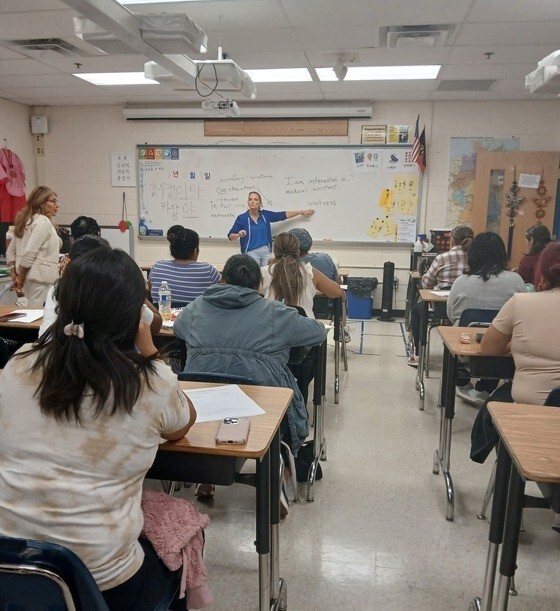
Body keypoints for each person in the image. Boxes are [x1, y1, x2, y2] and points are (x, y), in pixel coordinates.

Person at [0, 247, 197, 609]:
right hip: (104, 582)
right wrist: (150, 351)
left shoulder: (19, 364)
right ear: (135, 313)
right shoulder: (150, 382)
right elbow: (182, 425)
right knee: (181, 540)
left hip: (11, 568)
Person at [173, 254, 327, 459]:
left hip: (203, 406)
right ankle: (283, 473)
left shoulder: (195, 308)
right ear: (259, 284)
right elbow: (318, 332)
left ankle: (206, 480)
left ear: (222, 279)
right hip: (264, 406)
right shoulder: (275, 312)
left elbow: (178, 329)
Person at [474, 242, 560, 533]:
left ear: (541, 272)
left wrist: (519, 344)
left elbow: (488, 348)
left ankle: (511, 507)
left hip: (530, 413)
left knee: (494, 405)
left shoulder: (523, 302)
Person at [447, 231, 526, 405]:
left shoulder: (461, 282)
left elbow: (451, 314)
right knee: (501, 335)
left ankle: (462, 382)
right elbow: (523, 314)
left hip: (465, 350)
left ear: (472, 255)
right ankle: (485, 388)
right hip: (504, 351)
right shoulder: (516, 280)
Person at [39, 236, 163, 338]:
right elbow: (156, 323)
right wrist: (134, 289)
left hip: (51, 354)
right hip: (102, 359)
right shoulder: (112, 290)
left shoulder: (58, 288)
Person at [408, 224, 474, 367]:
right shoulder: (477, 259)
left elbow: (425, 283)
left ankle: (420, 353)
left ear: (452, 241)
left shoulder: (442, 258)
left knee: (416, 311)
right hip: (470, 312)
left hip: (442, 309)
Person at [260, 232, 344, 319]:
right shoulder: (309, 271)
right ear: (298, 252)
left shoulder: (264, 271)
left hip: (272, 325)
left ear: (275, 252)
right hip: (304, 326)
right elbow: (337, 292)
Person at [6, 185, 61, 306]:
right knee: (39, 319)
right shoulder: (43, 221)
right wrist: (19, 279)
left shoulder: (24, 220)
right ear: (41, 202)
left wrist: (14, 274)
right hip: (40, 280)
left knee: (29, 315)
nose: (57, 205)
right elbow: (30, 252)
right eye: (53, 201)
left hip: (28, 279)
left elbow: (10, 252)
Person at [227, 191, 315, 265]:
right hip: (250, 252)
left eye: (255, 199)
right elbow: (230, 236)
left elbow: (282, 215)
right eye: (250, 199)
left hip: (266, 251)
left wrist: (301, 212)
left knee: (268, 275)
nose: (252, 201)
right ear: (248, 202)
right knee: (254, 276)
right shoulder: (242, 218)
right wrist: (238, 235)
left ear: (260, 203)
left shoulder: (265, 215)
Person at [149, 225, 220, 306]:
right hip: (196, 318)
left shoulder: (157, 267)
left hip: (164, 317)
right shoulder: (208, 270)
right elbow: (224, 291)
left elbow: (151, 290)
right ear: (195, 250)